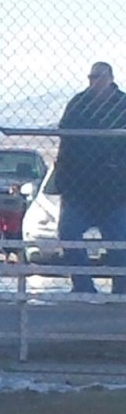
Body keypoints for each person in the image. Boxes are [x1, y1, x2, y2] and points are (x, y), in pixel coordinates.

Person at [52, 61, 126, 294]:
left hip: (115, 189)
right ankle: (83, 286)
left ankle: (121, 289)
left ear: (110, 78)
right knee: (69, 233)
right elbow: (66, 142)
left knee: (119, 242)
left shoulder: (123, 104)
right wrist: (63, 180)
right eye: (91, 77)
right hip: (79, 187)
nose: (95, 82)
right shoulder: (78, 103)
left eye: (99, 77)